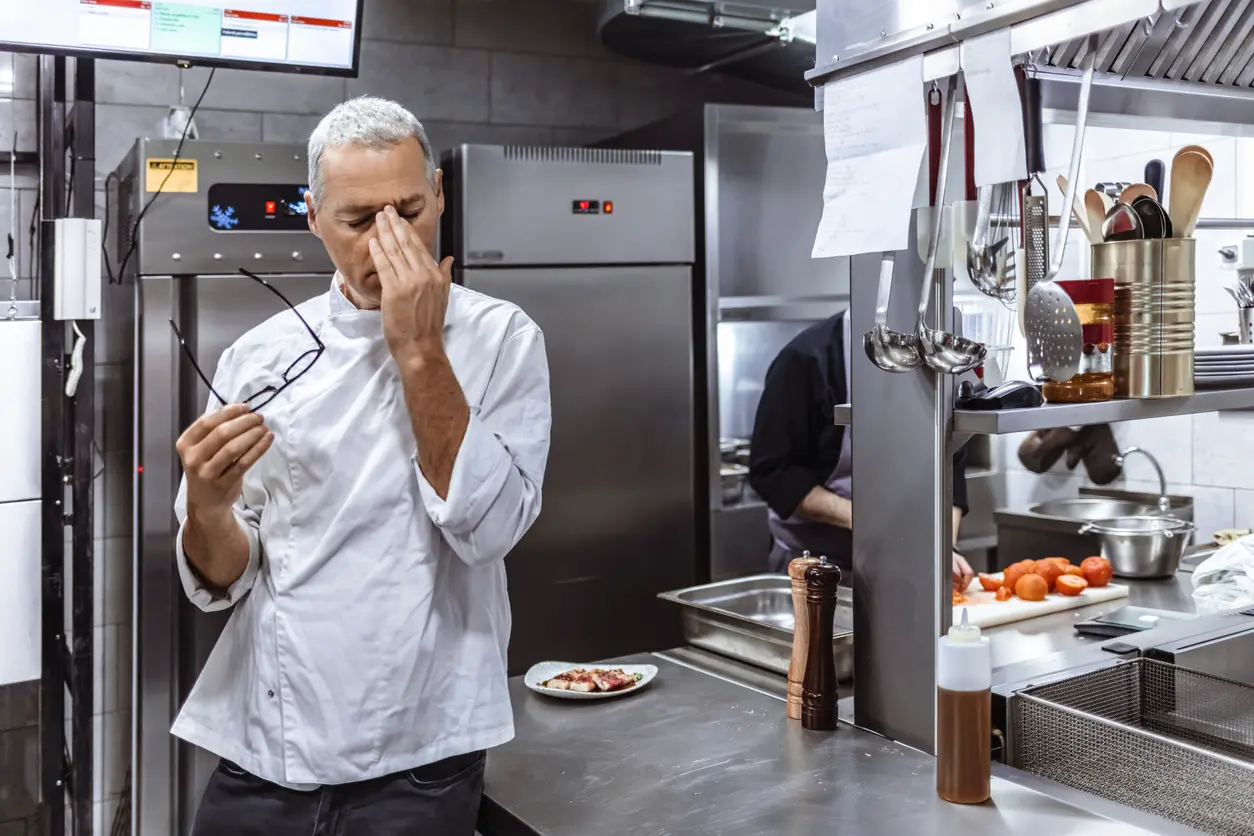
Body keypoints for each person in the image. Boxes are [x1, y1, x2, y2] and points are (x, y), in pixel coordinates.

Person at [171, 96, 551, 835]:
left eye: (409, 211)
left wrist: (418, 350)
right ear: (312, 216)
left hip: (417, 754)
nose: (386, 241)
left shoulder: (502, 337)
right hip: (267, 746)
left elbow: (489, 529)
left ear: (439, 193)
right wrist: (209, 507)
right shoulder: (258, 354)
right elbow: (222, 579)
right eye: (357, 219)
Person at [748, 310, 972, 588]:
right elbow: (772, 471)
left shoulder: (939, 358)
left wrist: (943, 548)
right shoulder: (805, 359)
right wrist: (873, 524)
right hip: (814, 570)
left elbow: (950, 463)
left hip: (904, 568)